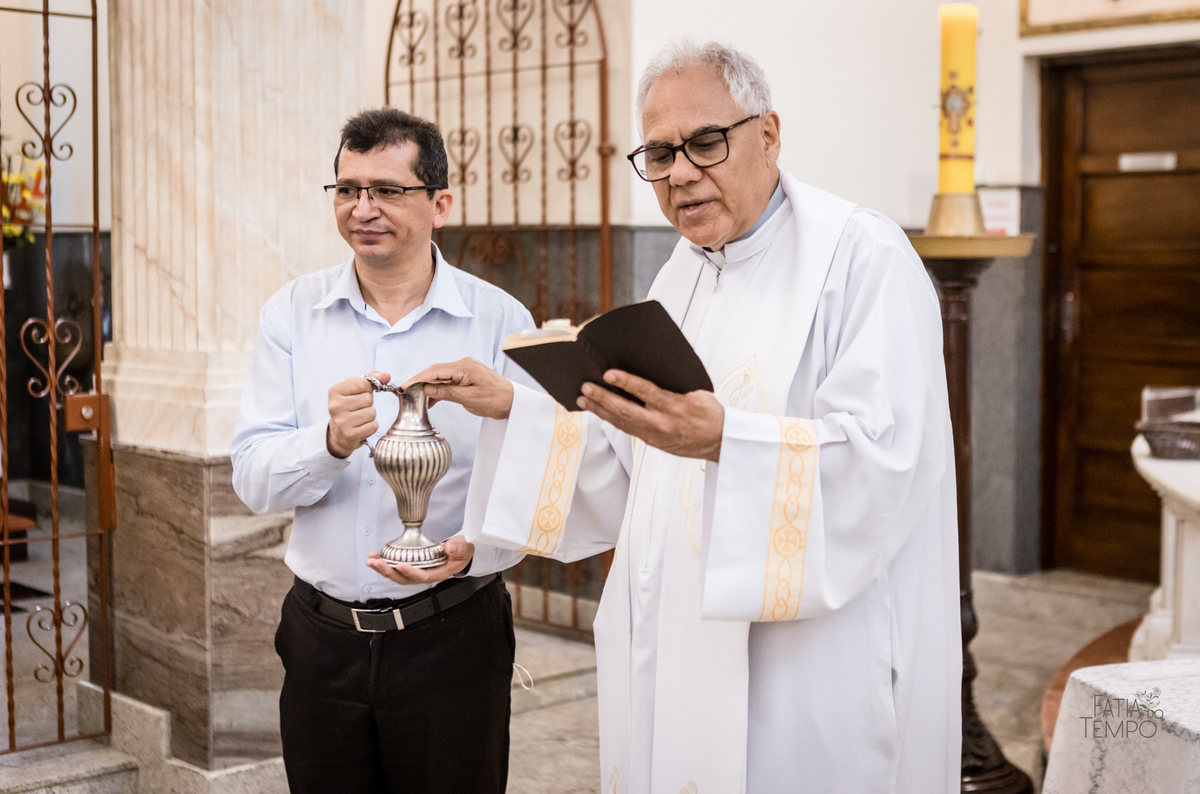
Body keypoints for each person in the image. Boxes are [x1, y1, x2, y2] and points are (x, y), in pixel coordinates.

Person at [393, 40, 962, 793]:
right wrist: (516, 408)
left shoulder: (860, 257)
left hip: (802, 668)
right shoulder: (683, 269)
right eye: (659, 154)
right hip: (672, 637)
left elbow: (887, 461)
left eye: (704, 142)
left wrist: (728, 440)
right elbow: (640, 458)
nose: (682, 173)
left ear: (769, 134)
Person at [230, 107, 532, 794]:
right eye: (348, 189)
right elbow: (252, 479)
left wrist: (474, 549)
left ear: (440, 203)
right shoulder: (291, 316)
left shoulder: (501, 323)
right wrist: (330, 442)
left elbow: (536, 476)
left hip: (452, 636)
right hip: (323, 640)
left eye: (387, 190)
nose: (362, 209)